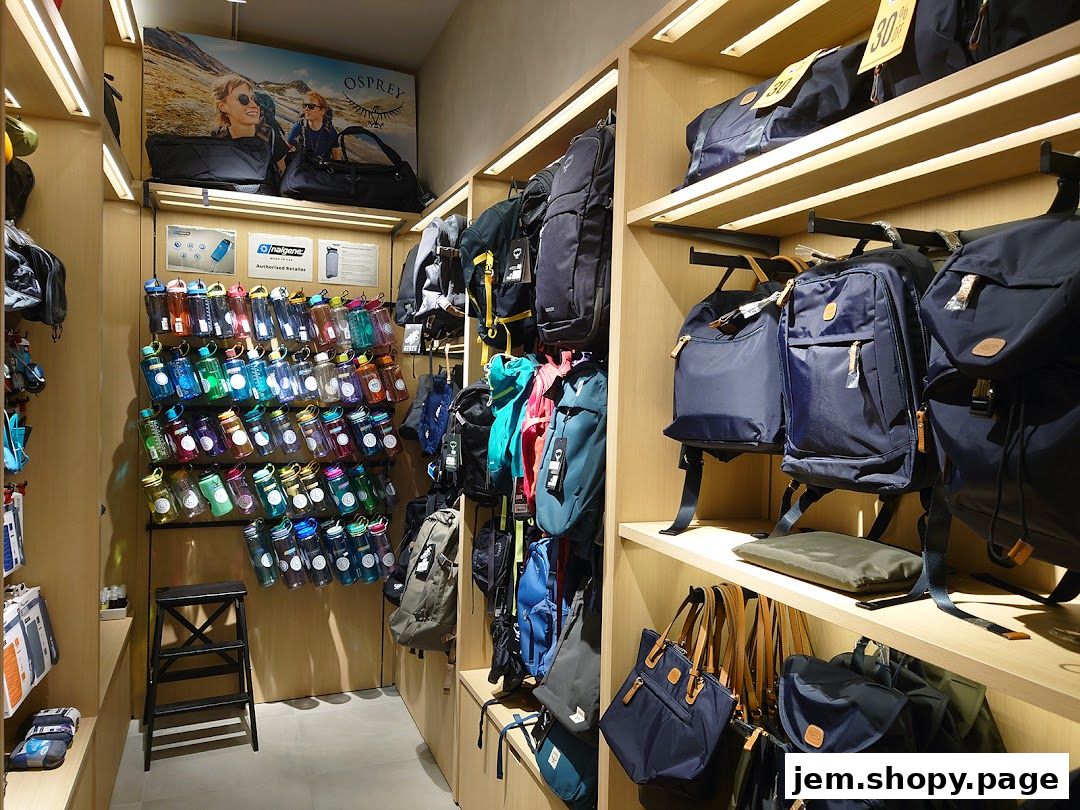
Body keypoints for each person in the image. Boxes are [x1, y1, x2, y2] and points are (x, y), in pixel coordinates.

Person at [211, 75, 287, 175]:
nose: (254, 105)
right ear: (223, 106)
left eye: (254, 99)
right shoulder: (218, 140)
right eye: (243, 99)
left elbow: (283, 174)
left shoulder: (271, 138)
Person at [287, 91, 343, 161]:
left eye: (311, 106)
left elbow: (336, 156)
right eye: (305, 106)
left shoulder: (330, 131)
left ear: (322, 111)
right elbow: (285, 150)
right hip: (303, 166)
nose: (306, 109)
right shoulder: (298, 127)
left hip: (323, 168)